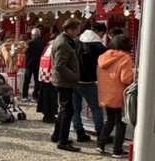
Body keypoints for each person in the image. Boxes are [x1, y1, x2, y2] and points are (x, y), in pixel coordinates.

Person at [96, 34, 136, 158]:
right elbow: (126, 79)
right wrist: (135, 72)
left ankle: (100, 144)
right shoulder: (125, 58)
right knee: (120, 122)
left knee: (109, 120)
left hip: (106, 93)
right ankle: (117, 150)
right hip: (119, 94)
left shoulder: (103, 57)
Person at [49, 18, 82, 152]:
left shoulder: (62, 40)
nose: (78, 33)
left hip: (62, 80)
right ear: (69, 30)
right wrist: (74, 76)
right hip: (64, 82)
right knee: (67, 111)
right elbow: (60, 65)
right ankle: (62, 140)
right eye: (77, 30)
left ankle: (57, 135)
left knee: (64, 110)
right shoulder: (63, 43)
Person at [73, 22, 106, 142]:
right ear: (101, 33)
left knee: (75, 108)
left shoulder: (76, 41)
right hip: (88, 81)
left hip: (74, 79)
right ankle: (101, 134)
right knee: (96, 108)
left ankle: (79, 132)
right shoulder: (99, 47)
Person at [22, 28, 44, 101]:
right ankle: (35, 96)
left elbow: (24, 51)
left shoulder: (29, 43)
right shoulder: (43, 43)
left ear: (32, 35)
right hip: (39, 64)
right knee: (37, 81)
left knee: (26, 81)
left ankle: (25, 96)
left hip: (29, 64)